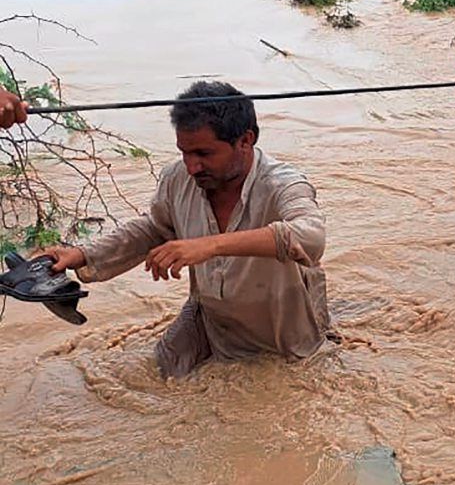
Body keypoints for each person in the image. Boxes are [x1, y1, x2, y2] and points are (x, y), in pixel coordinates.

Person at [38, 81, 330, 378]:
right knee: (159, 375)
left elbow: (310, 236)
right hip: (210, 320)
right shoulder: (177, 178)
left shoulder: (283, 183)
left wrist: (210, 245)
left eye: (204, 154)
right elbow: (154, 228)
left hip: (285, 332)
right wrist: (82, 255)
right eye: (184, 153)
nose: (192, 167)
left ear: (245, 140)